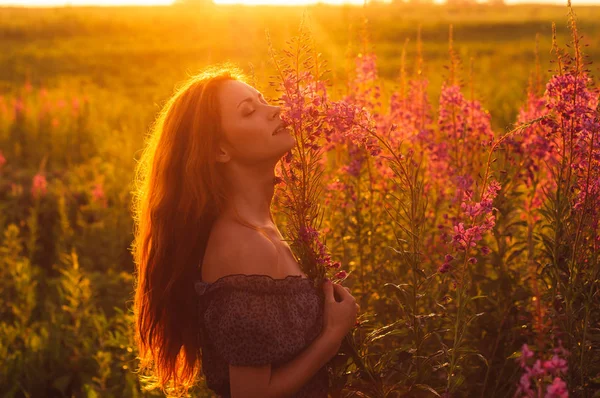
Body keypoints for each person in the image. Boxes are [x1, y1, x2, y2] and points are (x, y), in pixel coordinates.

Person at [131, 64, 359, 398]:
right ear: (219, 150)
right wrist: (332, 337)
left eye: (264, 100)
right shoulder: (243, 246)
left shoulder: (261, 228)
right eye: (249, 111)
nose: (276, 110)